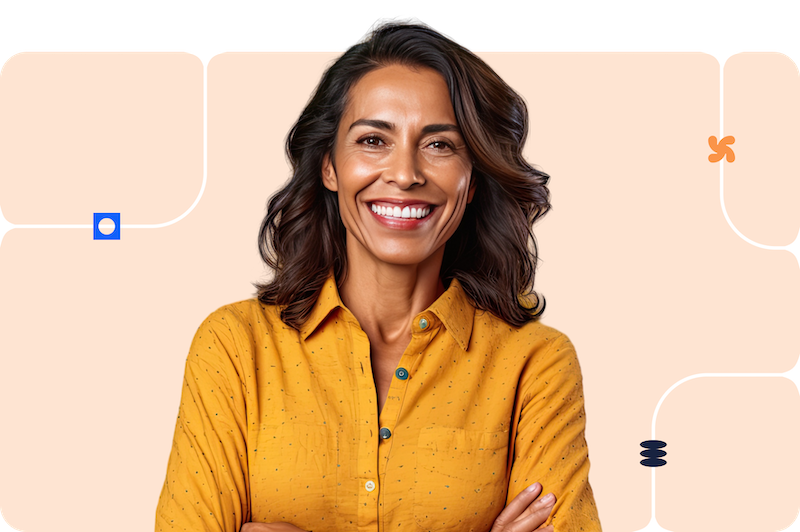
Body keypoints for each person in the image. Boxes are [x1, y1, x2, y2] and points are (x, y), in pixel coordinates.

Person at [155, 17, 601, 532]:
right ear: (329, 166)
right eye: (373, 140)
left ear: (472, 178)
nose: (406, 174)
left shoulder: (535, 364)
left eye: (440, 145)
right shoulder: (235, 347)